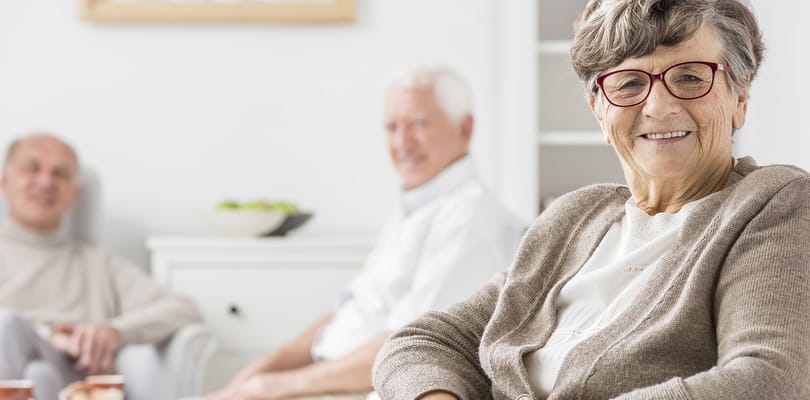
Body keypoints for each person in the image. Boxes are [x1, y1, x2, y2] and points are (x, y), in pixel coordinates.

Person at [373, 1, 810, 399]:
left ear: (739, 100)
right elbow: (424, 342)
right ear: (600, 112)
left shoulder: (773, 204)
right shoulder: (573, 218)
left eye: (690, 78)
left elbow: (769, 381)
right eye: (629, 83)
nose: (659, 106)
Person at [205, 65, 526, 400]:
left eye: (419, 123)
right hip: (324, 380)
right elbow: (350, 312)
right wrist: (255, 376)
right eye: (392, 127)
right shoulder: (418, 205)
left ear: (465, 128)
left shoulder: (470, 221)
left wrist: (271, 387)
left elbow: (412, 350)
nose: (402, 142)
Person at [0, 134, 203, 400]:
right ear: (5, 182)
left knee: (41, 371)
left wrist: (115, 332)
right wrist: (50, 335)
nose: (46, 182)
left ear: (75, 193)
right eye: (32, 168)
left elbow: (183, 309)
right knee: (19, 344)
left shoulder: (99, 265)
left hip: (77, 381)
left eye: (60, 173)